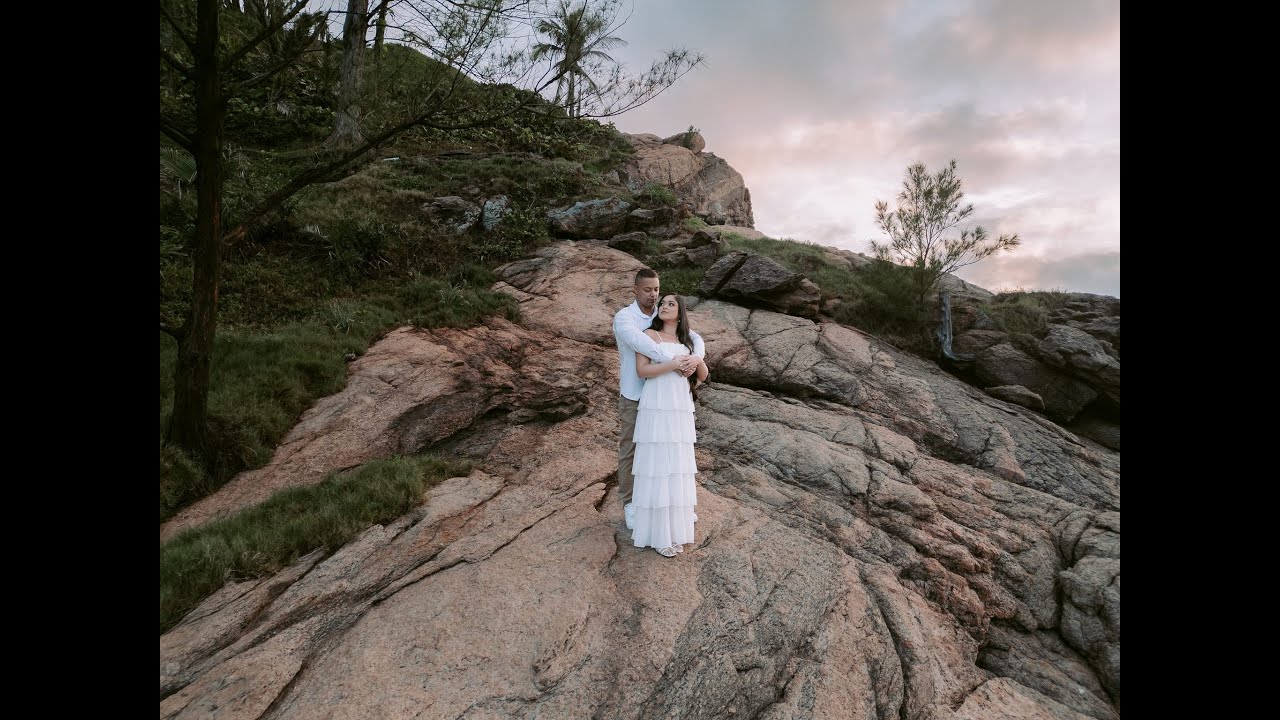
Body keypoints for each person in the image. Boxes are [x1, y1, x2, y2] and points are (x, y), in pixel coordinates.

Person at [613, 270, 704, 532]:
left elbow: (693, 337)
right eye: (647, 290)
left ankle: (672, 505)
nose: (653, 295)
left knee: (666, 447)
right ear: (635, 290)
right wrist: (674, 362)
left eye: (656, 289)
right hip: (635, 393)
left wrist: (695, 358)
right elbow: (642, 344)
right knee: (631, 448)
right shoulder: (625, 318)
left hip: (663, 396)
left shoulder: (661, 313)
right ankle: (631, 504)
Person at [631, 293, 709, 557]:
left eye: (670, 304)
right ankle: (659, 533)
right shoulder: (649, 336)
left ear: (681, 311)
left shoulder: (687, 341)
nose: (664, 306)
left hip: (679, 406)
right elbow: (642, 371)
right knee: (657, 464)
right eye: (662, 303)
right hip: (656, 403)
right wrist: (672, 364)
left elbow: (704, 376)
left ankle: (677, 524)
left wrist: (696, 361)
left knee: (676, 464)